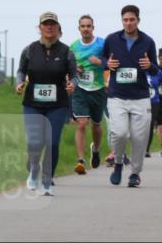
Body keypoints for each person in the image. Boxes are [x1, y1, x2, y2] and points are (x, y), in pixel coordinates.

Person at [16, 12, 78, 197]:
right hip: (32, 104)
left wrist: (73, 83)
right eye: (46, 24)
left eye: (53, 24)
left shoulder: (67, 52)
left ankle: (47, 181)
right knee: (34, 142)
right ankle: (34, 170)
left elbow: (75, 75)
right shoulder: (29, 50)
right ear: (40, 28)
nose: (49, 27)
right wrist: (19, 82)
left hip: (58, 104)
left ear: (59, 29)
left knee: (52, 143)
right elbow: (21, 70)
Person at [101, 5, 160, 188]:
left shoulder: (148, 41)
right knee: (118, 133)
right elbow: (102, 61)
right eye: (125, 20)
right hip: (117, 96)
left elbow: (156, 69)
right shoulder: (112, 39)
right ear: (122, 21)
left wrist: (149, 65)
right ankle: (118, 163)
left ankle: (135, 173)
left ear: (138, 21)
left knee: (138, 137)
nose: (128, 23)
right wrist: (107, 63)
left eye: (132, 19)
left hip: (140, 96)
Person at [69, 15, 106, 174]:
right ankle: (80, 160)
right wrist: (75, 69)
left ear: (93, 27)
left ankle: (96, 150)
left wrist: (100, 63)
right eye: (83, 26)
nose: (86, 29)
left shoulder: (102, 44)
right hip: (80, 89)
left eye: (88, 26)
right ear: (79, 28)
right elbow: (68, 67)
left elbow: (112, 62)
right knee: (82, 123)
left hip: (98, 89)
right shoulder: (73, 47)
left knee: (96, 125)